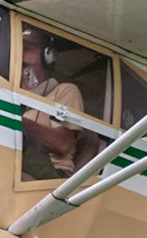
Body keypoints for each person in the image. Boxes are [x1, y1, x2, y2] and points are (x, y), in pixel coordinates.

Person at [19, 25, 94, 178]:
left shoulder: (64, 91)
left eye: (27, 49)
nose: (20, 55)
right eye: (17, 49)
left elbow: (63, 144)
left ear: (48, 56)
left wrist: (18, 122)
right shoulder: (11, 92)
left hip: (52, 174)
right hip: (15, 164)